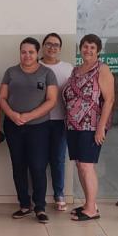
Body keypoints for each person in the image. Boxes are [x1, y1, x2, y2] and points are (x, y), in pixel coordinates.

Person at [0, 37, 58, 223]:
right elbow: (2, 98)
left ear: (37, 53)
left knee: (38, 166)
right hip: (13, 126)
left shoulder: (47, 73)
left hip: (39, 127)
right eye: (23, 52)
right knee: (18, 166)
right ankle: (24, 205)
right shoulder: (11, 72)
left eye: (31, 52)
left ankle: (40, 207)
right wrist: (12, 115)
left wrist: (29, 116)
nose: (27, 55)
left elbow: (51, 100)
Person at [62, 33, 115, 221]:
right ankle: (88, 203)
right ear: (80, 48)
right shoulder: (76, 70)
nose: (88, 50)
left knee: (86, 165)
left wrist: (100, 128)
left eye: (93, 47)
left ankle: (91, 209)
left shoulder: (102, 69)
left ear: (98, 51)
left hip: (92, 125)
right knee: (79, 164)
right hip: (74, 125)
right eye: (85, 46)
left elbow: (109, 100)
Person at [40, 32, 73, 211]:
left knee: (58, 159)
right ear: (43, 46)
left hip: (60, 120)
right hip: (38, 121)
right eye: (49, 44)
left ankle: (59, 194)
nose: (52, 48)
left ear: (60, 49)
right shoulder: (35, 65)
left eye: (56, 45)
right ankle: (38, 196)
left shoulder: (68, 68)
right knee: (38, 160)